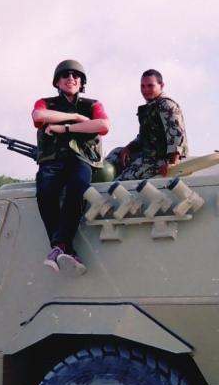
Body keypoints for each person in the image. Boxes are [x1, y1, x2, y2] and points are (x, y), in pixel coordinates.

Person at [32, 59, 110, 274]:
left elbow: (103, 125)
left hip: (81, 159)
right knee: (46, 192)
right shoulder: (45, 102)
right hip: (52, 160)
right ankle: (65, 248)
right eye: (65, 75)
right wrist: (75, 117)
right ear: (57, 81)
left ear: (82, 82)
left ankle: (58, 247)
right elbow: (39, 116)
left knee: (78, 187)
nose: (71, 79)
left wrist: (63, 128)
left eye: (76, 76)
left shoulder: (93, 105)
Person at [106, 69, 188, 180]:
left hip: (161, 159)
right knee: (115, 154)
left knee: (121, 182)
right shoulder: (151, 106)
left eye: (150, 86)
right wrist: (129, 147)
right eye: (143, 86)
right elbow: (144, 136)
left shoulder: (166, 105)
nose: (146, 90)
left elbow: (176, 136)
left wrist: (172, 163)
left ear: (161, 86)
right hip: (149, 155)